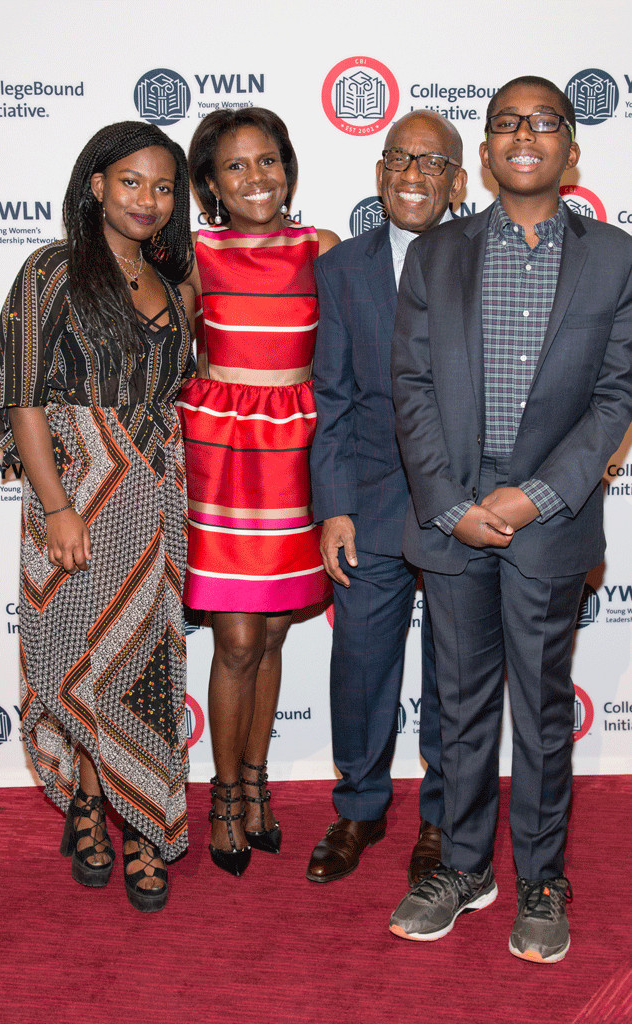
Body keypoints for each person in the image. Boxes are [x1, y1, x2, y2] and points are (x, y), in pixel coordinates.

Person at [390, 77, 632, 962]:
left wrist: (538, 495)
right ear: (484, 153)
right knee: (459, 708)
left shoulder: (615, 257)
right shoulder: (436, 254)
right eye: (505, 123)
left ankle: (540, 878)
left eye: (545, 123)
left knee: (537, 706)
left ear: (572, 150)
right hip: (453, 511)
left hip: (551, 513)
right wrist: (451, 504)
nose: (523, 135)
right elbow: (408, 387)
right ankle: (463, 867)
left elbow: (616, 395)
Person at [0, 121, 196, 913]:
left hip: (159, 491)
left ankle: (142, 820)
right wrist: (54, 506)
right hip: (79, 490)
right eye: (131, 182)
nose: (148, 200)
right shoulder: (50, 271)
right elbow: (22, 397)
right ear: (95, 185)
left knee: (148, 658)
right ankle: (89, 796)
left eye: (162, 187)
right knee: (79, 656)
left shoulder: (173, 281)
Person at [177, 108, 339, 876]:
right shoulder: (193, 256)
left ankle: (257, 782)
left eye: (267, 161)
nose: (256, 179)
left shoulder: (323, 248)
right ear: (209, 182)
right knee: (238, 637)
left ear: (288, 167)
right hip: (225, 453)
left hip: (300, 450)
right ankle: (225, 796)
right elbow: (167, 355)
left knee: (271, 635)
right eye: (235, 167)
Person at [306, 110, 467, 884]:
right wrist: (333, 505)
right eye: (399, 159)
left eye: (431, 163)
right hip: (367, 503)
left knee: (452, 666)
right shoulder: (341, 270)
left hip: (462, 506)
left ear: (457, 182)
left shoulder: (485, 260)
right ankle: (360, 807)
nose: (412, 175)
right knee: (361, 662)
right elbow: (330, 398)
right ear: (379, 172)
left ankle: (440, 820)